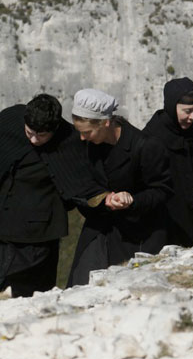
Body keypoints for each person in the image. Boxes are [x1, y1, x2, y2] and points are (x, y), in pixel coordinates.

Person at [0, 94, 107, 297]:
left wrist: (105, 199)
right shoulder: (10, 120)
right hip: (3, 224)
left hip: (38, 233)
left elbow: (81, 182)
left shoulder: (69, 142)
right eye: (29, 132)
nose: (33, 140)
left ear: (54, 129)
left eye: (41, 136)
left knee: (31, 293)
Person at [67, 88, 173, 287]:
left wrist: (131, 200)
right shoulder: (88, 144)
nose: (82, 138)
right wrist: (104, 198)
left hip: (139, 234)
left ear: (106, 123)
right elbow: (81, 181)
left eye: (87, 132)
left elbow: (162, 190)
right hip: (100, 231)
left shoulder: (145, 146)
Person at [143, 77, 193, 246]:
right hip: (168, 226)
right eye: (187, 111)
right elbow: (153, 189)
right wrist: (192, 202)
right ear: (171, 105)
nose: (192, 117)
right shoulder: (152, 138)